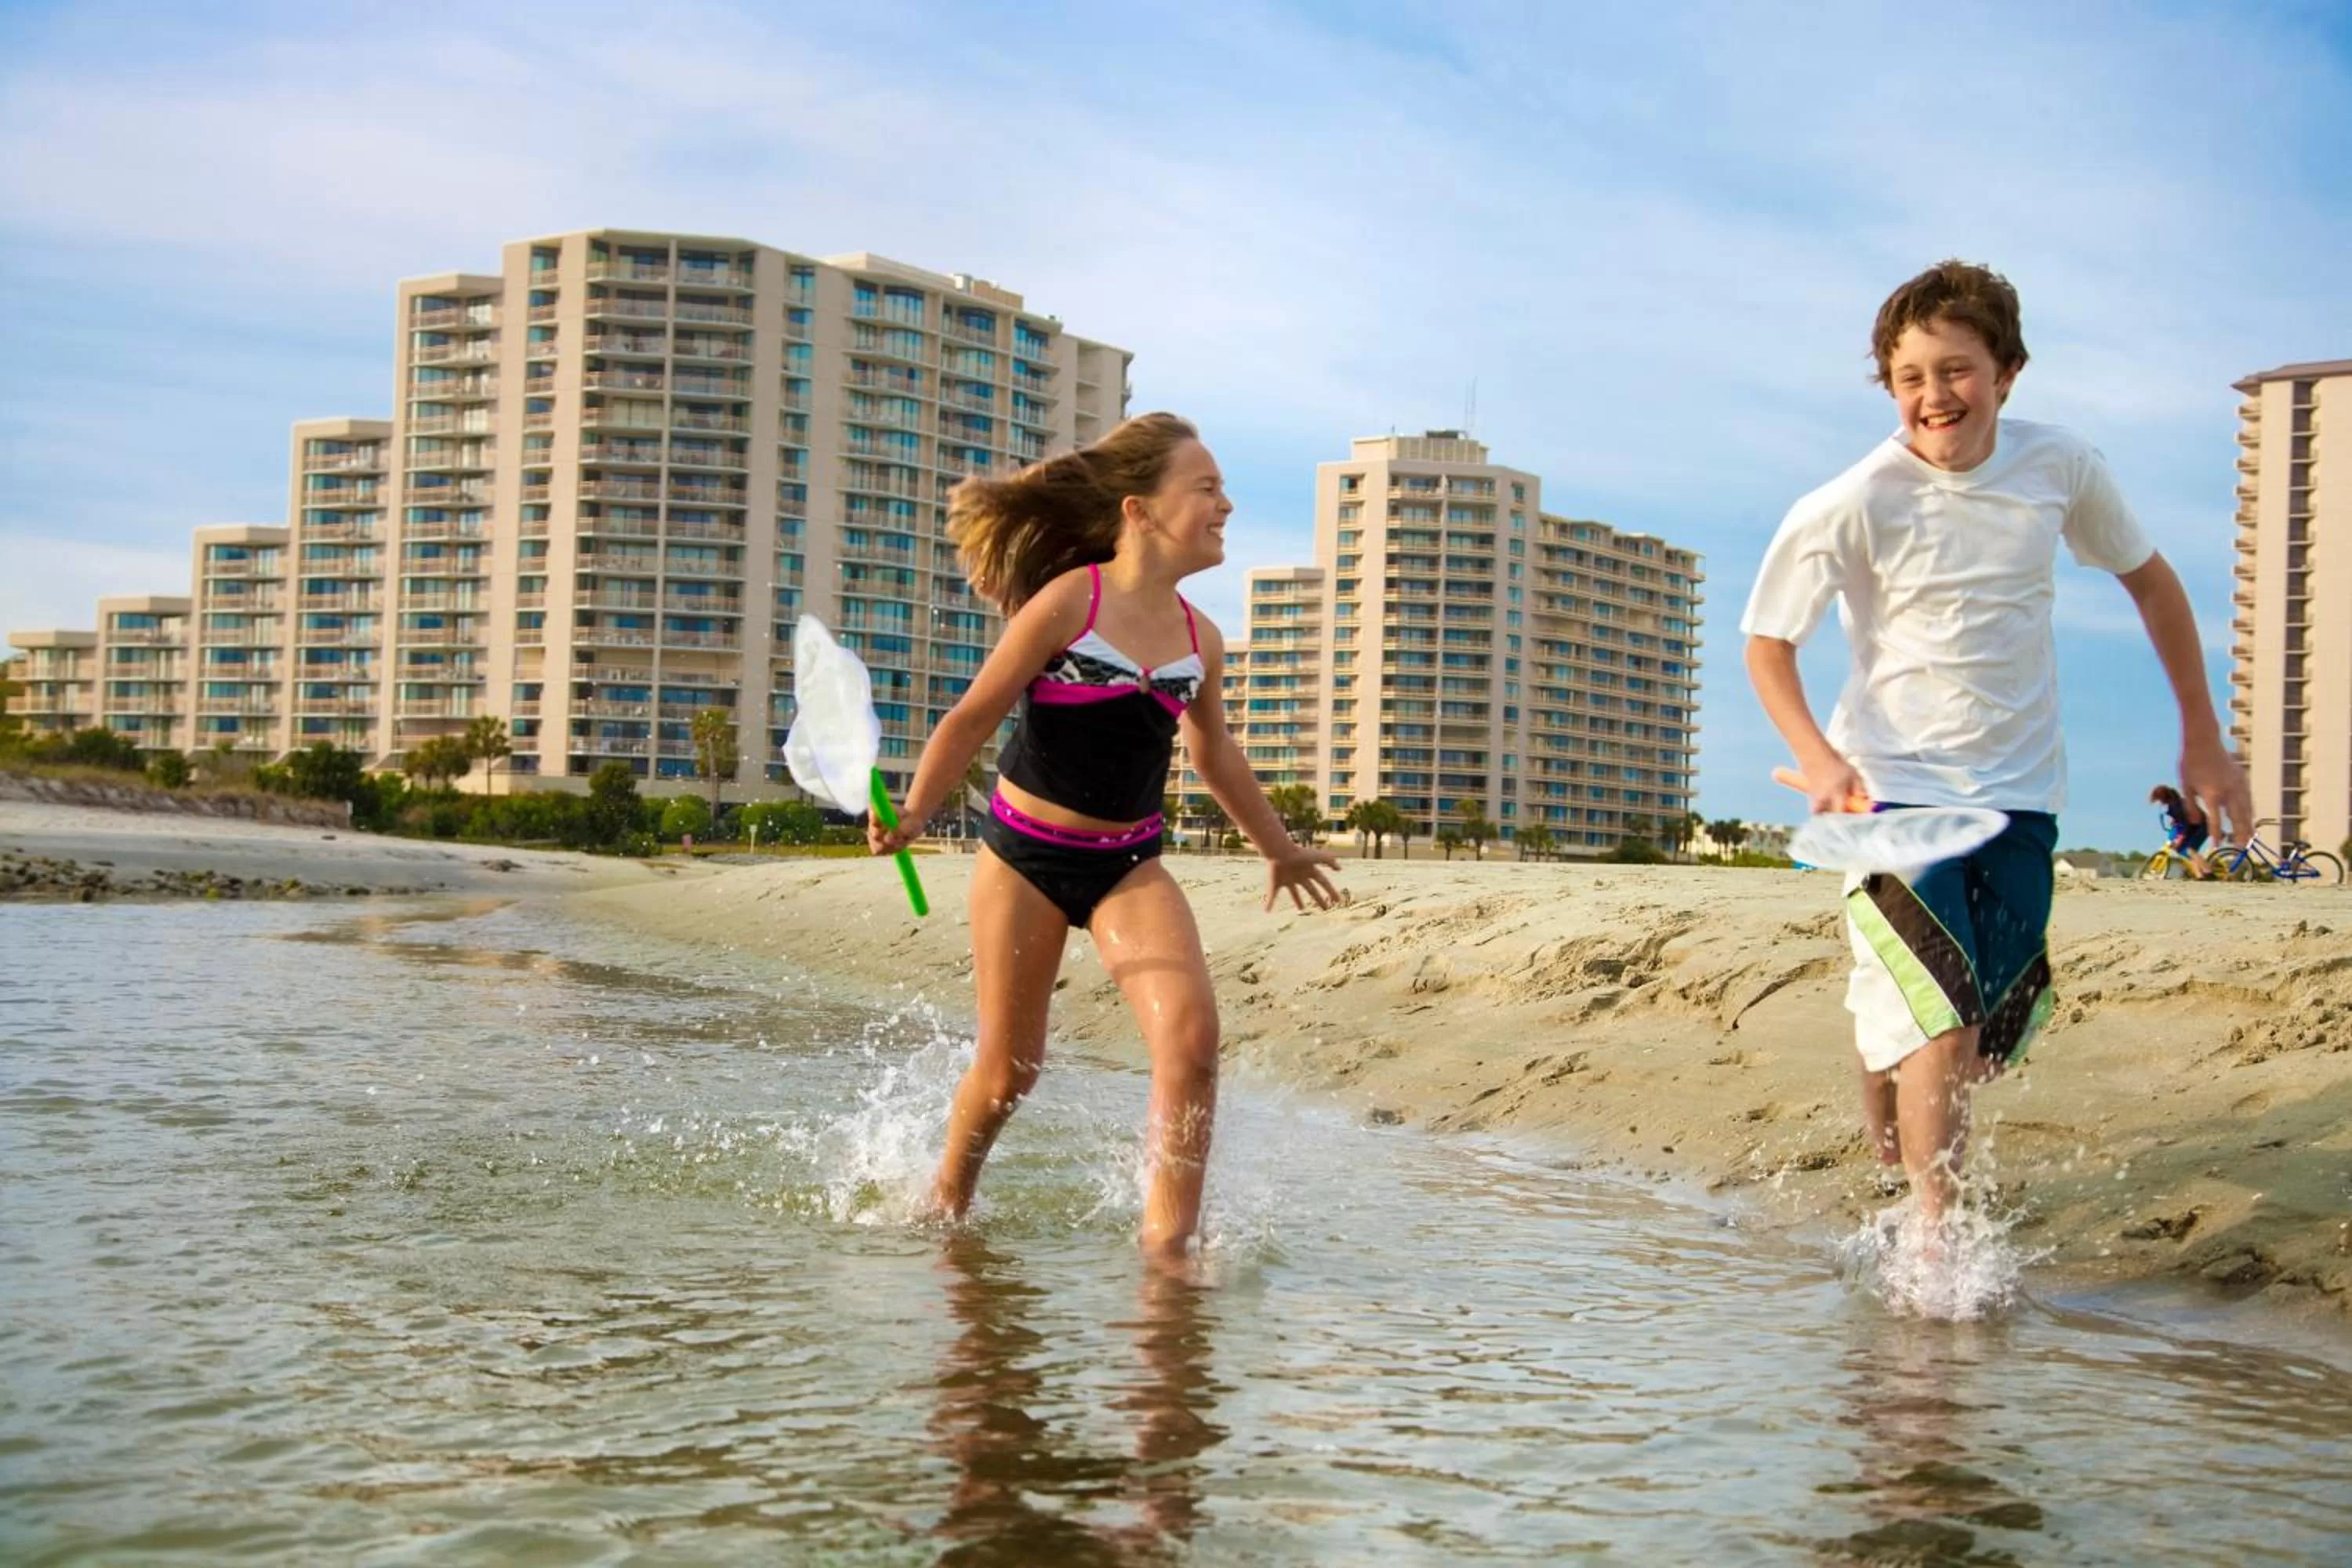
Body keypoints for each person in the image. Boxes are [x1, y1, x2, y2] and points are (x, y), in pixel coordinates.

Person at [1741, 260, 2250, 1232]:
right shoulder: (1851, 500)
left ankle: (1878, 1034)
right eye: (1913, 376)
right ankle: (1939, 1242)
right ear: (1890, 386)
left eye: (1958, 370)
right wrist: (1816, 754)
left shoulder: (2060, 468)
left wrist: (2204, 737)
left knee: (1986, 1037)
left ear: (2008, 372)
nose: (1937, 395)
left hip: (2021, 794)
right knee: (1948, 1015)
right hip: (1894, 793)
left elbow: (2152, 584)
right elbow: (1769, 642)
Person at [869, 412, 1342, 1261]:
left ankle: (1168, 1246)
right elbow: (973, 716)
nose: (1227, 504)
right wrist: (913, 810)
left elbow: (1213, 751)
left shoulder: (1203, 638)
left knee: (1193, 1042)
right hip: (1023, 857)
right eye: (1207, 488)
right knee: (1012, 1069)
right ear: (1140, 510)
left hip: (1128, 861)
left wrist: (1278, 846)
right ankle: (948, 1196)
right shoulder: (1071, 601)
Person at [2149, 783, 2212, 878]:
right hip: (2195, 827)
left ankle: (2208, 871)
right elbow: (2182, 818)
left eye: (2158, 800)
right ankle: (2199, 875)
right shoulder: (2175, 803)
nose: (2159, 803)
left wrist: (2180, 838)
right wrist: (2176, 821)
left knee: (2190, 849)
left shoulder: (2176, 806)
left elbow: (2185, 823)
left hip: (2202, 826)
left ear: (2162, 798)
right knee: (2182, 850)